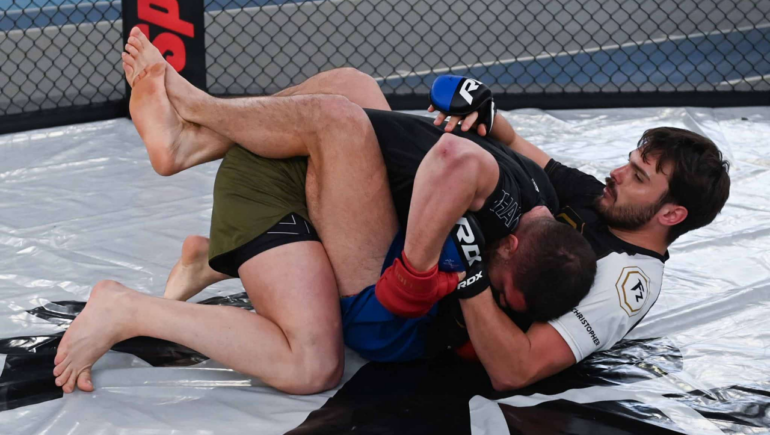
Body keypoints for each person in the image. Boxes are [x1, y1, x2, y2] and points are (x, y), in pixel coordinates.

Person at [51, 28, 595, 394]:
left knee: (352, 95)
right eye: (501, 286)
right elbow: (454, 161)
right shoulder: (499, 199)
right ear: (513, 243)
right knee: (312, 364)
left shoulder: (539, 208)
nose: (493, 294)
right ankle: (128, 305)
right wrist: (417, 273)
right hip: (277, 181)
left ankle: (206, 236)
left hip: (325, 184)